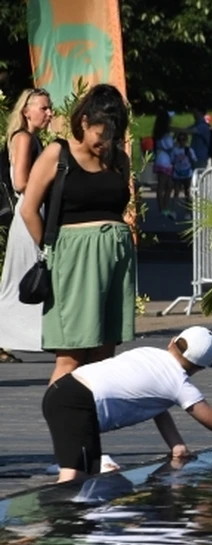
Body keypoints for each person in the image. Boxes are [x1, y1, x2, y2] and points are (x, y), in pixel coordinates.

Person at [41, 326, 212, 483]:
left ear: (171, 343)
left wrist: (176, 444)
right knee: (72, 482)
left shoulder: (149, 353)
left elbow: (157, 405)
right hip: (78, 406)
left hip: (64, 391)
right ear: (199, 368)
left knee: (86, 480)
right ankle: (25, 533)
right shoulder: (179, 384)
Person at [20, 84, 137, 385]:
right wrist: (54, 250)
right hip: (74, 258)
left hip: (115, 260)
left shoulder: (118, 160)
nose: (107, 142)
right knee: (71, 354)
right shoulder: (57, 153)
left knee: (105, 352)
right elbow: (29, 209)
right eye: (101, 133)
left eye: (113, 134)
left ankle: (91, 420)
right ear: (84, 122)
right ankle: (61, 418)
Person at [0, 87, 52, 359]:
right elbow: (20, 181)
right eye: (43, 108)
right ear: (26, 111)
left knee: (26, 274)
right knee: (26, 274)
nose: (49, 113)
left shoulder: (31, 139)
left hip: (33, 208)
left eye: (49, 107)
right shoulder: (23, 138)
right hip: (29, 210)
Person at [152, 109, 176, 218]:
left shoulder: (160, 132)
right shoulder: (164, 134)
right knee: (164, 185)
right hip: (164, 160)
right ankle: (162, 208)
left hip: (164, 160)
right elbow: (169, 146)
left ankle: (164, 207)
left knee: (168, 185)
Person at [170, 132, 197, 203]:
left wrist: (189, 155)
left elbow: (194, 161)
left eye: (183, 139)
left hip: (187, 173)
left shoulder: (190, 150)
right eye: (180, 140)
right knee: (176, 192)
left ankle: (188, 212)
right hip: (177, 173)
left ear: (186, 140)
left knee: (187, 193)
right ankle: (173, 210)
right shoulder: (175, 150)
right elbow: (171, 161)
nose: (182, 141)